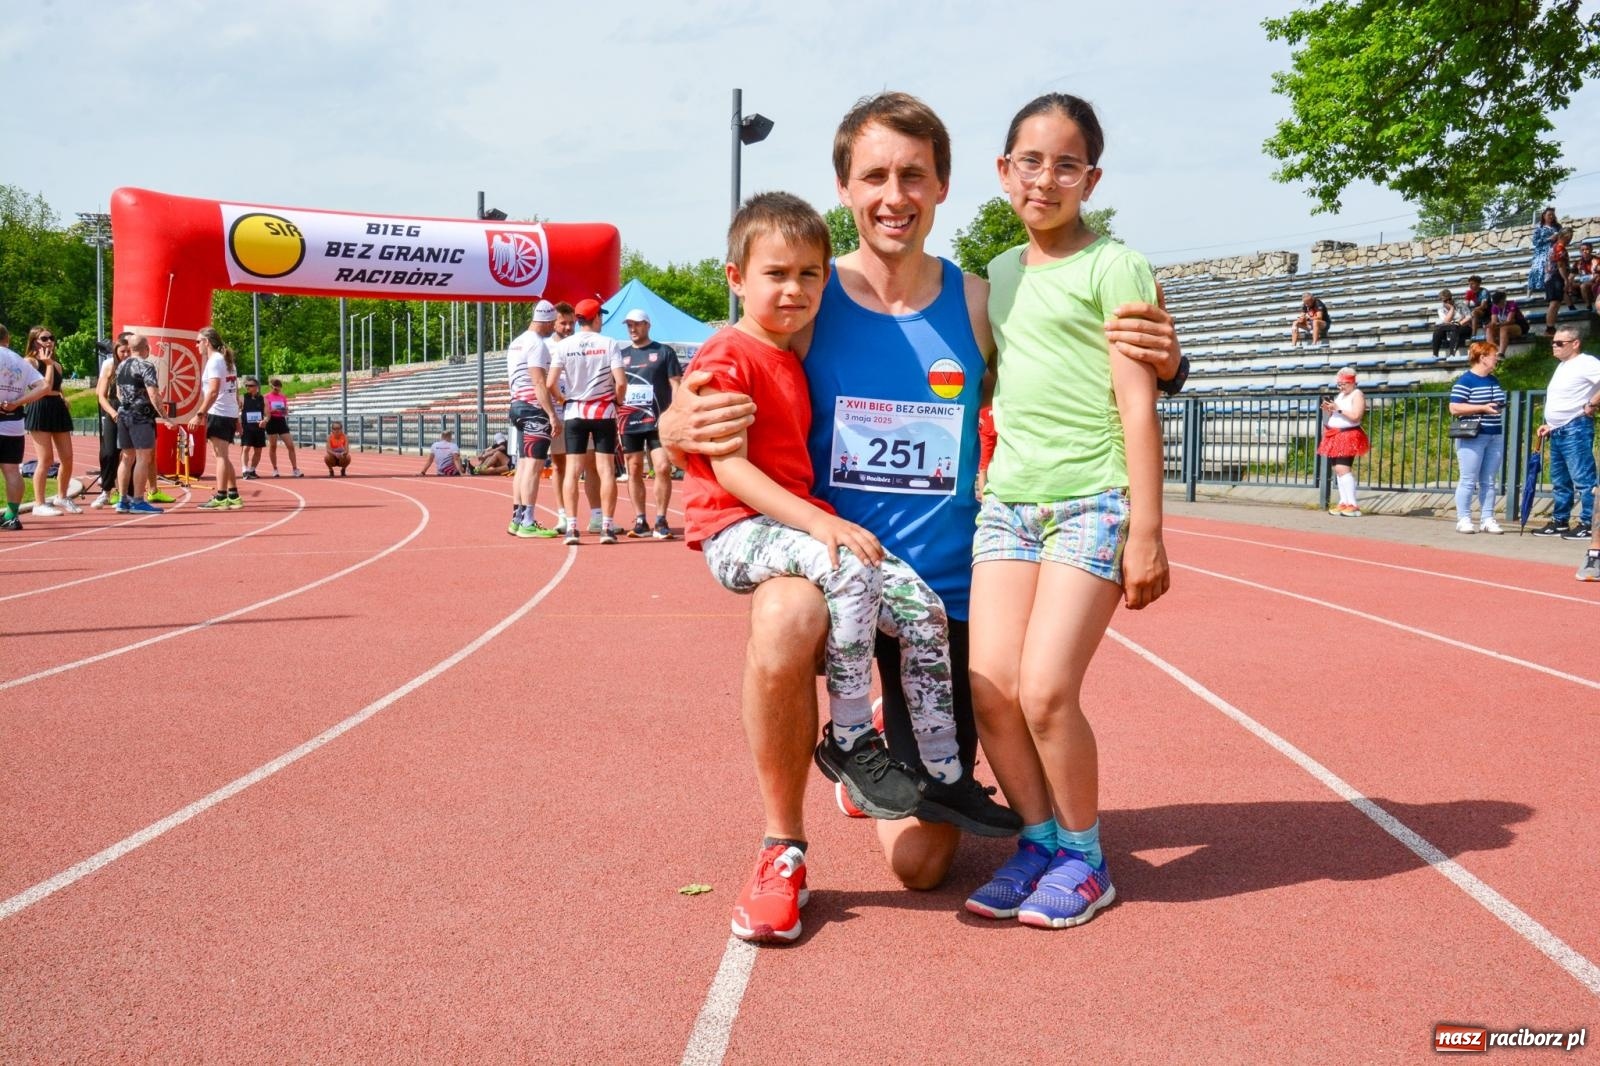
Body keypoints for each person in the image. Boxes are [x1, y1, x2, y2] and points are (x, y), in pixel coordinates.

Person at [659, 91, 1185, 944]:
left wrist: (1175, 362)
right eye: (874, 176)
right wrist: (670, 421)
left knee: (922, 865)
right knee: (788, 612)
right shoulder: (808, 300)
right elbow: (729, 370)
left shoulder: (984, 302)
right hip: (837, 576)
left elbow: (1077, 357)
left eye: (913, 175)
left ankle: (897, 758)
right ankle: (781, 845)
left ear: (943, 187)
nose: (893, 194)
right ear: (844, 189)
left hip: (945, 601)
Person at [686, 190, 1013, 837]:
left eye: (807, 275)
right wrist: (818, 522)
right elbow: (727, 465)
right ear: (736, 278)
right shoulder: (731, 350)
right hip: (744, 527)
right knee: (849, 570)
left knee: (920, 610)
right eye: (775, 275)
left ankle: (947, 775)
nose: (795, 289)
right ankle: (850, 735)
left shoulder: (790, 345)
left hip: (820, 531)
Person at [959, 93, 1169, 931]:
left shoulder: (1115, 266)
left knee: (1046, 689)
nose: (1046, 178)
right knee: (991, 690)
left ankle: (1086, 858)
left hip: (1092, 498)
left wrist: (1148, 531)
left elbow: (1137, 401)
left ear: (1092, 178)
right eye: (1030, 161)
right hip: (1007, 503)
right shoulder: (998, 277)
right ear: (1004, 171)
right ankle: (1038, 842)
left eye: (1066, 164)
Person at [547, 298, 625, 545]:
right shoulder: (609, 343)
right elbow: (621, 382)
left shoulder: (564, 345)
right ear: (597, 318)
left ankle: (571, 528)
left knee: (572, 471)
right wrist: (618, 401)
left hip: (575, 413)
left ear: (579, 320)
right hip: (603, 413)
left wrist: (563, 400)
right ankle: (606, 527)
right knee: (605, 470)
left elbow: (550, 383)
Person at [617, 308, 683, 539]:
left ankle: (662, 519)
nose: (633, 329)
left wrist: (675, 413)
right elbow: (616, 386)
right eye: (629, 325)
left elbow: (676, 384)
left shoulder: (664, 352)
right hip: (630, 421)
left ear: (647, 325)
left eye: (637, 324)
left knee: (662, 468)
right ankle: (640, 520)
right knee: (633, 469)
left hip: (658, 421)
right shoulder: (621, 355)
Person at [1532, 327, 1600, 540]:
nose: (1554, 346)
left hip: (1575, 427)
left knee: (1583, 478)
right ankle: (1560, 520)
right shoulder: (1563, 366)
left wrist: (1592, 403)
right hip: (1559, 429)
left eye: (1560, 343)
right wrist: (1550, 424)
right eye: (1553, 342)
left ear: (1575, 343)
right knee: (1560, 479)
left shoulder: (1586, 363)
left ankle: (1589, 523)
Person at [505, 301, 561, 538]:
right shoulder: (537, 344)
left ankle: (517, 519)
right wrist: (551, 414)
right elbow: (539, 382)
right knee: (533, 466)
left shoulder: (517, 341)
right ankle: (528, 520)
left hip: (517, 404)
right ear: (547, 321)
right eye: (553, 324)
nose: (554, 329)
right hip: (533, 408)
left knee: (523, 464)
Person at [547, 301, 603, 535]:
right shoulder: (546, 347)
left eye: (571, 323)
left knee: (592, 464)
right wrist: (558, 406)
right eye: (564, 323)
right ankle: (563, 516)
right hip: (559, 415)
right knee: (560, 466)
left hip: (581, 412)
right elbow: (543, 382)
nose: (569, 327)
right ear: (554, 323)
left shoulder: (583, 344)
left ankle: (597, 517)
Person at [1448, 341, 1507, 535]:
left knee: (1489, 480)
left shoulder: (1494, 380)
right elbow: (1454, 407)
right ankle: (1463, 518)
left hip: (1494, 434)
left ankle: (1487, 518)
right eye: (1493, 355)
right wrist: (1482, 407)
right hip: (1473, 435)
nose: (1496, 358)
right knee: (1468, 479)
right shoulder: (1466, 381)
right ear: (1482, 358)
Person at [1, 324, 53, 531]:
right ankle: (12, 515)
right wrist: (19, 401)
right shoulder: (18, 361)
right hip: (14, 422)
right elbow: (44, 386)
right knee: (12, 470)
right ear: (8, 338)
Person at [22, 326, 79, 515]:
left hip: (57, 407)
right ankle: (39, 504)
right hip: (39, 407)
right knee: (45, 459)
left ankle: (62, 496)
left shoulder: (56, 364)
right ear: (34, 341)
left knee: (68, 457)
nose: (49, 341)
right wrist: (46, 363)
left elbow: (55, 386)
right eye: (44, 338)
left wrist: (63, 397)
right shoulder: (29, 362)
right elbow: (43, 387)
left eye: (51, 338)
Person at [113, 333, 167, 515]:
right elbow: (153, 394)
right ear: (146, 348)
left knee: (127, 457)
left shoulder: (120, 366)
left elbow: (119, 393)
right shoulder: (146, 365)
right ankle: (137, 500)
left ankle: (122, 500)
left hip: (123, 414)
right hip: (141, 416)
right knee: (143, 457)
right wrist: (165, 417)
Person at [190, 326, 242, 510]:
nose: (196, 346)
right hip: (228, 412)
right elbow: (234, 391)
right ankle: (233, 494)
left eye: (198, 342)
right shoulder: (227, 361)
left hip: (219, 412)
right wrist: (237, 417)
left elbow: (212, 391)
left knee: (220, 456)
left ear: (207, 342)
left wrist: (199, 414)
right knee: (223, 455)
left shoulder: (215, 361)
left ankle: (221, 496)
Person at [1318, 366, 1369, 517]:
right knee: (1338, 471)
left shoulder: (1357, 394)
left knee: (1343, 468)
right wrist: (1329, 409)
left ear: (1352, 382)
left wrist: (1338, 409)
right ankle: (1344, 502)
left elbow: (1356, 416)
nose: (1341, 387)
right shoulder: (1341, 395)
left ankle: (1352, 504)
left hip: (1348, 435)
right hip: (1335, 434)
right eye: (1339, 384)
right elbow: (1337, 412)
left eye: (1343, 384)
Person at [90, 336, 127, 508]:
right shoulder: (110, 366)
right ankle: (106, 490)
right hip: (113, 410)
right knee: (109, 452)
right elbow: (101, 395)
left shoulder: (137, 366)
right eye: (122, 351)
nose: (125, 354)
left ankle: (127, 494)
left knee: (128, 454)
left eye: (128, 351)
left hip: (131, 412)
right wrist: (112, 412)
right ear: (116, 352)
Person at [262, 378, 304, 477]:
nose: (278, 391)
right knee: (273, 446)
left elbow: (285, 412)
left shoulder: (282, 397)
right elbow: (265, 412)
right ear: (271, 387)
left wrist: (285, 410)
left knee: (290, 445)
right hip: (271, 421)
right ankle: (275, 469)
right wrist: (274, 409)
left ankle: (295, 469)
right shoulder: (266, 397)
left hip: (281, 421)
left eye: (279, 389)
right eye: (275, 389)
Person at [1544, 226, 1573, 335]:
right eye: (1568, 237)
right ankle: (1550, 327)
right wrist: (1566, 280)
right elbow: (1560, 265)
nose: (1570, 239)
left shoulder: (1556, 247)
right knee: (1555, 302)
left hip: (1552, 277)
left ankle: (1551, 326)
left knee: (1556, 302)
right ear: (1563, 236)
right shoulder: (1559, 248)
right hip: (1554, 277)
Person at [238, 377, 267, 479]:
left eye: (250, 385)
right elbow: (236, 411)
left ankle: (252, 470)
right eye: (246, 385)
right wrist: (238, 425)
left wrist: (265, 420)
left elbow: (268, 414)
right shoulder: (242, 398)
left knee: (258, 450)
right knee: (246, 448)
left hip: (259, 428)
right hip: (247, 427)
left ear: (257, 387)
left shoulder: (263, 399)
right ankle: (245, 470)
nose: (248, 387)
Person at [1485, 291, 1527, 356]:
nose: (1497, 305)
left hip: (1519, 326)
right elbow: (1494, 321)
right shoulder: (1494, 306)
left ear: (1503, 300)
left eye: (1498, 303)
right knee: (1489, 329)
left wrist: (1497, 324)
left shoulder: (1512, 304)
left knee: (1504, 328)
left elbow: (1509, 321)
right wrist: (1490, 325)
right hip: (1503, 327)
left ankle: (1501, 354)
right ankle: (1492, 352)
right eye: (1496, 304)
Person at [1528, 206, 1559, 296]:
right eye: (1549, 215)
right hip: (1541, 253)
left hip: (1553, 251)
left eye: (1552, 215)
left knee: (1550, 272)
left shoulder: (1557, 227)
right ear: (1544, 216)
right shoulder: (1539, 227)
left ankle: (1548, 293)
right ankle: (1530, 292)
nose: (1551, 217)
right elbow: (1535, 242)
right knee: (1535, 270)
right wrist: (1549, 239)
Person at [1431, 289, 1471, 359]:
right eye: (1445, 301)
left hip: (1463, 326)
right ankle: (1435, 354)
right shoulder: (1441, 309)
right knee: (1437, 330)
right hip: (1450, 327)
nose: (1448, 302)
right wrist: (1452, 308)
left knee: (1455, 328)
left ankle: (1452, 354)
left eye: (1449, 299)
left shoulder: (1460, 304)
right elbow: (1446, 322)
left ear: (1451, 297)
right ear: (1442, 301)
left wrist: (1459, 323)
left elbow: (1468, 317)